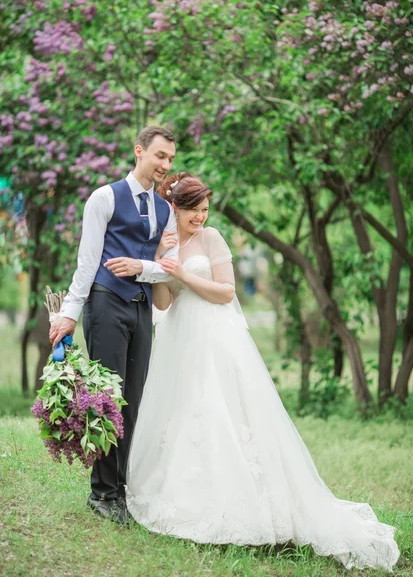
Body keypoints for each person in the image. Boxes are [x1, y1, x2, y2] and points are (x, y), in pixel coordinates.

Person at [126, 173, 400, 571]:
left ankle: (250, 503)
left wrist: (184, 272)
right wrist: (163, 269)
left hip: (215, 337)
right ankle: (187, 495)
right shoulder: (165, 242)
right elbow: (165, 304)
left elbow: (226, 291)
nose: (200, 218)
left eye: (204, 210)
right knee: (184, 413)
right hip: (179, 337)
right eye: (193, 212)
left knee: (223, 411)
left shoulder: (212, 238)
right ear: (175, 209)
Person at [49, 126, 179, 524]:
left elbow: (169, 269)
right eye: (160, 156)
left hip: (142, 309)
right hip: (106, 304)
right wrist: (70, 312)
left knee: (134, 399)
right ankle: (102, 493)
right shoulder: (103, 198)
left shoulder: (165, 209)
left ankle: (121, 488)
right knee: (108, 397)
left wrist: (145, 266)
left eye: (171, 159)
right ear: (139, 151)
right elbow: (87, 261)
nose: (165, 165)